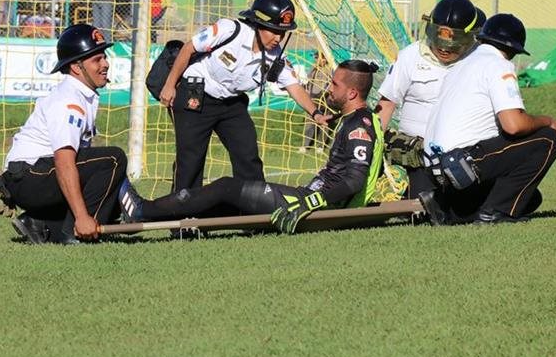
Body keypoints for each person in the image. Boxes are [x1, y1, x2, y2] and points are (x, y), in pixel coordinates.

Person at [119, 60, 383, 234]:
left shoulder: (360, 125)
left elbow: (354, 180)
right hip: (311, 200)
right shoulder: (352, 119)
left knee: (226, 186)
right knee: (227, 202)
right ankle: (176, 222)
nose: (328, 88)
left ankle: (143, 210)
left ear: (351, 93)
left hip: (316, 207)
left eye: (334, 84)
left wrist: (311, 202)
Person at [158, 0, 330, 191]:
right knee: (190, 159)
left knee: (248, 155)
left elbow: (294, 87)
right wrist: (170, 85)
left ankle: (254, 210)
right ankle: (183, 215)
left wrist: (316, 114)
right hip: (196, 92)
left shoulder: (276, 57)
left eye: (282, 32)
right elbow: (189, 48)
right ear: (258, 24)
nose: (279, 38)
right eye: (274, 30)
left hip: (232, 103)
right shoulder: (229, 30)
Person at [420, 14, 556, 225]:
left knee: (531, 198)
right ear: (513, 49)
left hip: (435, 167)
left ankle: (445, 206)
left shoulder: (462, 64)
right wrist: (547, 121)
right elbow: (513, 125)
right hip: (461, 162)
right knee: (548, 139)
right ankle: (496, 213)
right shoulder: (498, 64)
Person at [0, 24, 127, 244]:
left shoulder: (81, 95)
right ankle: (76, 233)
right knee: (113, 160)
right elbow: (64, 162)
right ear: (77, 68)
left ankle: (40, 225)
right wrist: (82, 217)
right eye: (97, 60)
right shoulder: (69, 101)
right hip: (30, 177)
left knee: (112, 199)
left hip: (29, 177)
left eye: (104, 57)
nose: (106, 64)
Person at [375, 0, 484, 198]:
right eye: (439, 42)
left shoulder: (480, 58)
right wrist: (372, 143)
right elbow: (387, 104)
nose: (444, 49)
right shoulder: (409, 56)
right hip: (418, 154)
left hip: (466, 152)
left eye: (453, 45)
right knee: (422, 207)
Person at [299, 50, 331, 153]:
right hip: (313, 99)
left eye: (319, 58)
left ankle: (320, 146)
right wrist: (314, 67)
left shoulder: (329, 69)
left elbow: (331, 83)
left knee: (324, 123)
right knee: (310, 122)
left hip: (325, 99)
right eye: (316, 58)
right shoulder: (314, 68)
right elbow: (307, 79)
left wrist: (326, 93)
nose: (317, 60)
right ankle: (305, 145)